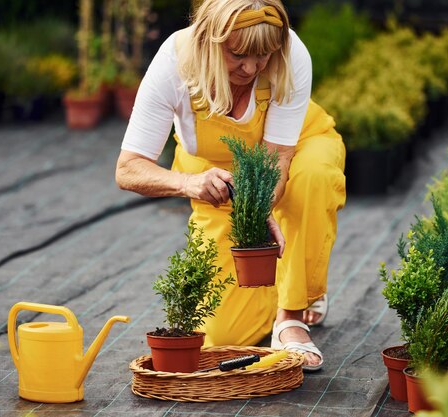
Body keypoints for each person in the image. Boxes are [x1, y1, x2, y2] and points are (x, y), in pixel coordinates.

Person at [116, 0, 345, 371]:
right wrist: (190, 183)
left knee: (312, 179)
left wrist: (258, 210)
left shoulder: (291, 55)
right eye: (238, 54)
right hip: (214, 177)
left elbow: (277, 161)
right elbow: (128, 169)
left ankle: (292, 316)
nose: (252, 67)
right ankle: (286, 284)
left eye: (263, 56)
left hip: (295, 149)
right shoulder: (175, 63)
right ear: (209, 38)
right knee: (223, 337)